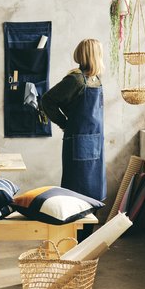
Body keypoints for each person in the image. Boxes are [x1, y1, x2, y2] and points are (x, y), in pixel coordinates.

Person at [41, 39, 107, 238]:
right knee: (77, 192)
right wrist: (65, 123)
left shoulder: (95, 79)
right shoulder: (76, 80)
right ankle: (75, 239)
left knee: (93, 193)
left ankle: (86, 238)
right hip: (78, 143)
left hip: (95, 143)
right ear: (95, 55)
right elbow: (47, 100)